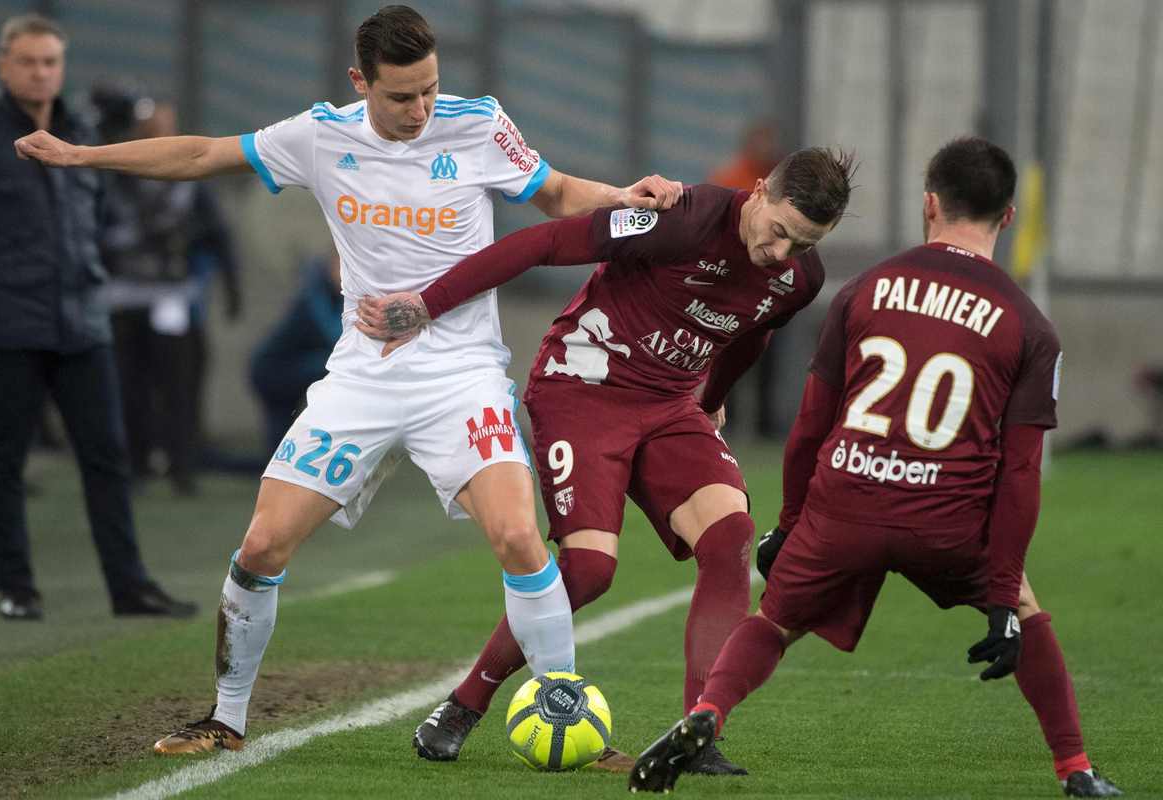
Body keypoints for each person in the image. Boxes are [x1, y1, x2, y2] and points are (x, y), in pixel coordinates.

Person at [14, 4, 681, 755]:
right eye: (401, 96)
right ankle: (226, 720)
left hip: (461, 376)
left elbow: (554, 192)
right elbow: (202, 153)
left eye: (429, 89)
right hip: (363, 378)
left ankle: (565, 712)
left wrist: (622, 196)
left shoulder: (477, 124)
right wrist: (82, 155)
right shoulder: (319, 136)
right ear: (360, 82)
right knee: (262, 546)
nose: (420, 109)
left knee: (520, 536)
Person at [627, 138, 1123, 798]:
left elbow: (809, 428)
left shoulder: (863, 291)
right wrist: (1002, 595)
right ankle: (1076, 769)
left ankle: (707, 713)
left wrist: (790, 526)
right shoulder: (1030, 326)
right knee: (1029, 611)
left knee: (775, 621)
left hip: (847, 501)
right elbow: (1020, 474)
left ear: (930, 204)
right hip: (945, 516)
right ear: (1008, 217)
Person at [357, 147, 855, 773]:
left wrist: (712, 399)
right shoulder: (681, 218)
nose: (782, 253)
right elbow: (543, 243)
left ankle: (698, 734)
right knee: (590, 570)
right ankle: (465, 702)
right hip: (584, 386)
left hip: (670, 404)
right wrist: (428, 304)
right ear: (758, 191)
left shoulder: (800, 278)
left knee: (730, 535)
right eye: (780, 231)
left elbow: (751, 332)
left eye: (803, 244)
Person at [0, 13, 196, 621]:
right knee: (6, 458)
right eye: (28, 61)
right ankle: (17, 588)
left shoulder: (82, 133)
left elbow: (95, 221)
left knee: (107, 457)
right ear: (3, 65)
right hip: (9, 326)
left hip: (83, 322)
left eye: (50, 61)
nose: (40, 72)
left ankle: (129, 587)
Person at [99, 98, 242, 494]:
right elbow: (95, 231)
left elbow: (218, 233)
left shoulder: (190, 178)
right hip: (124, 296)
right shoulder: (117, 175)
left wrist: (232, 284)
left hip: (171, 294)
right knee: (129, 383)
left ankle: (182, 464)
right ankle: (136, 464)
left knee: (179, 382)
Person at [708, 121, 785, 436]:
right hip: (730, 288)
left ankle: (765, 425)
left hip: (763, 288)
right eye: (761, 140)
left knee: (764, 359)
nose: (767, 148)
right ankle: (726, 419)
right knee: (725, 356)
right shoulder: (730, 178)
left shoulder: (781, 182)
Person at [250, 251, 343, 455]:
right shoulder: (316, 296)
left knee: (281, 448)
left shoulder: (328, 294)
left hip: (290, 369)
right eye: (342, 267)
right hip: (274, 372)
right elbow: (334, 337)